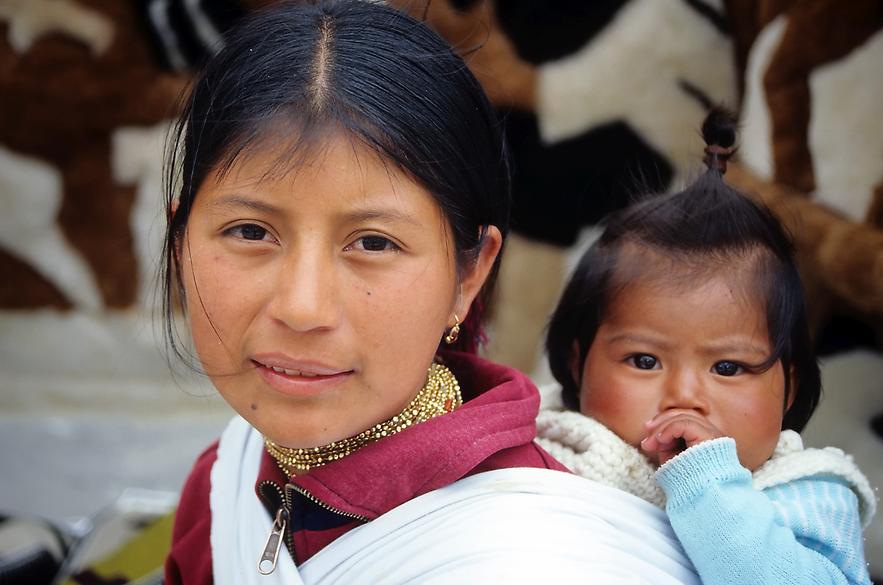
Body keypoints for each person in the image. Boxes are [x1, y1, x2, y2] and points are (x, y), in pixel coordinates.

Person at [160, 2, 701, 584]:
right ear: (179, 243)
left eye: (372, 243)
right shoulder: (226, 484)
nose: (302, 307)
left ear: (470, 275)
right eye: (250, 232)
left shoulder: (533, 558)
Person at [538, 108, 876, 585]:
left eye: (729, 368)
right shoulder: (544, 450)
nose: (684, 395)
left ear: (790, 388)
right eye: (644, 360)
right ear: (577, 366)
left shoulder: (806, 494)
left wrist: (709, 489)